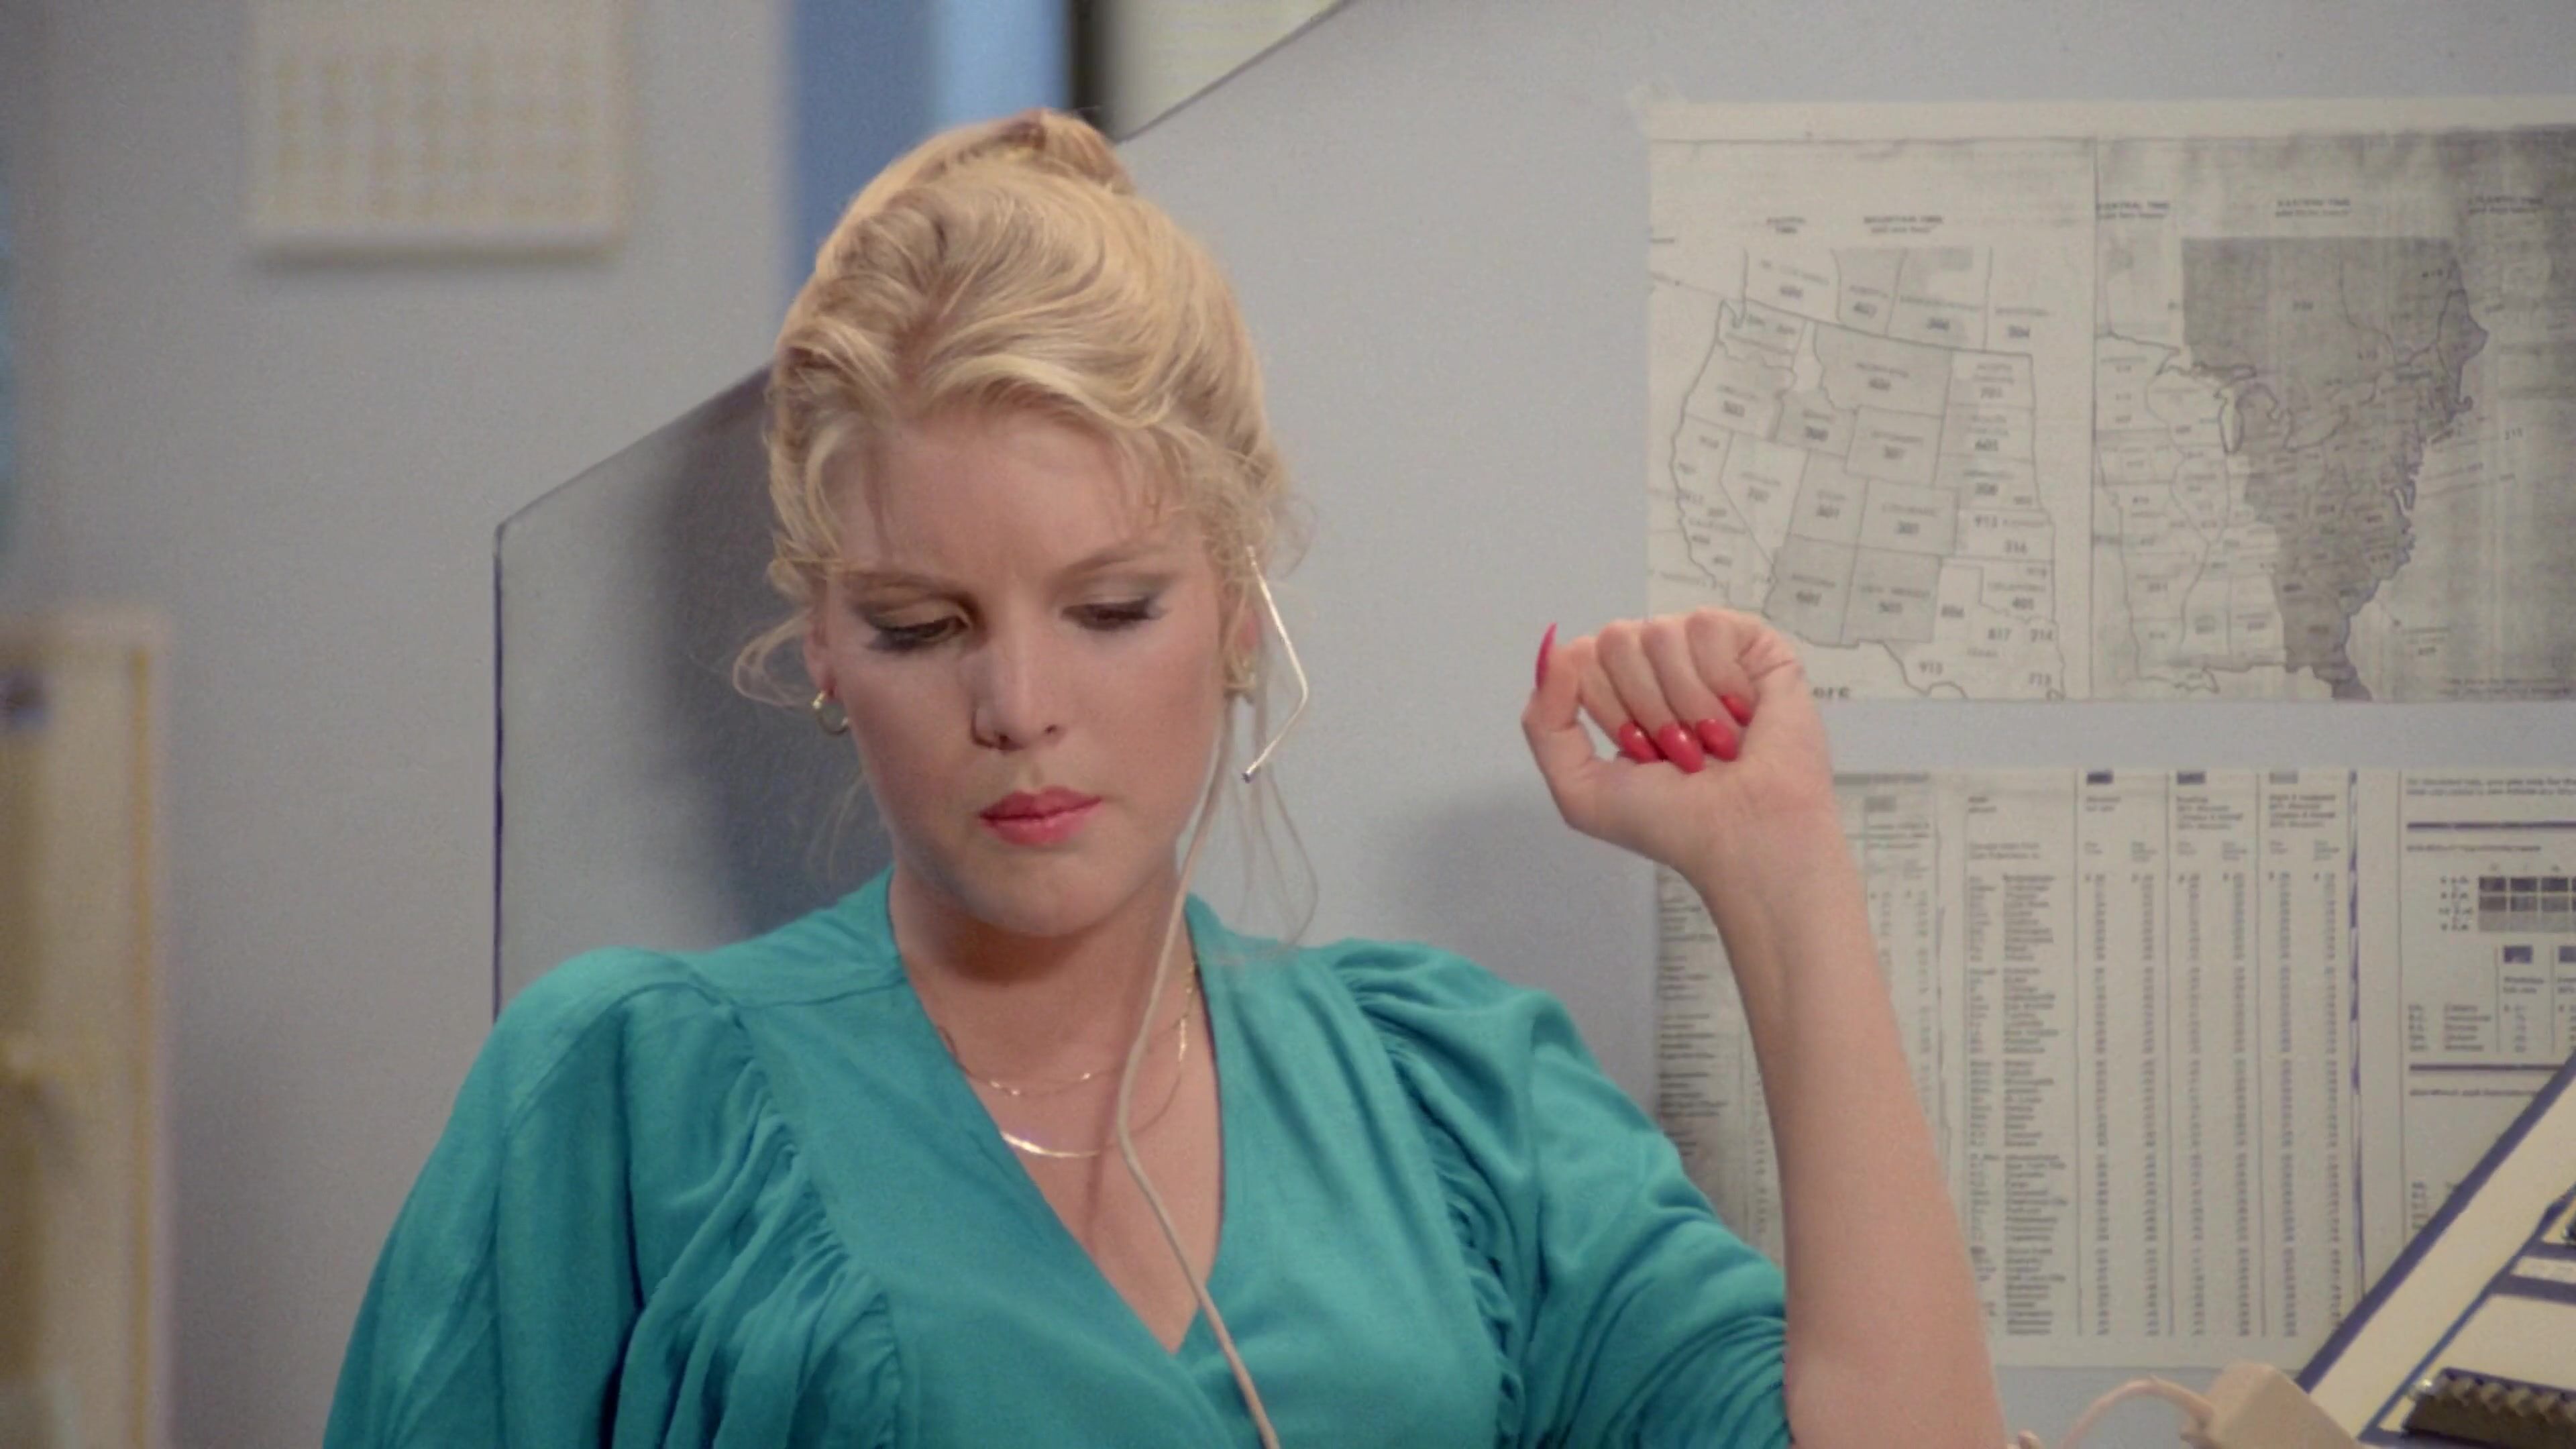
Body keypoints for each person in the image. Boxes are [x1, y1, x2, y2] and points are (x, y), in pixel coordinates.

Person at [326, 110, 2004, 1448]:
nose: (1019, 708)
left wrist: (1780, 871)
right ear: (822, 646)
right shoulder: (627, 1101)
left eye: (1111, 608)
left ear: (1237, 604)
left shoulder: (1456, 1105)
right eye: (921, 627)